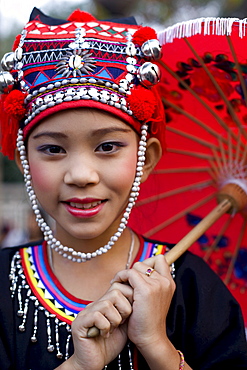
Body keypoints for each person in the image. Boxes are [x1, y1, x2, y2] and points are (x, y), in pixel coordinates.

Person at [0, 7, 246, 370]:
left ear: (145, 160)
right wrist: (80, 366)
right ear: (23, 160)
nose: (81, 174)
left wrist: (156, 344)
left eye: (107, 147)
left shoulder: (192, 288)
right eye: (53, 149)